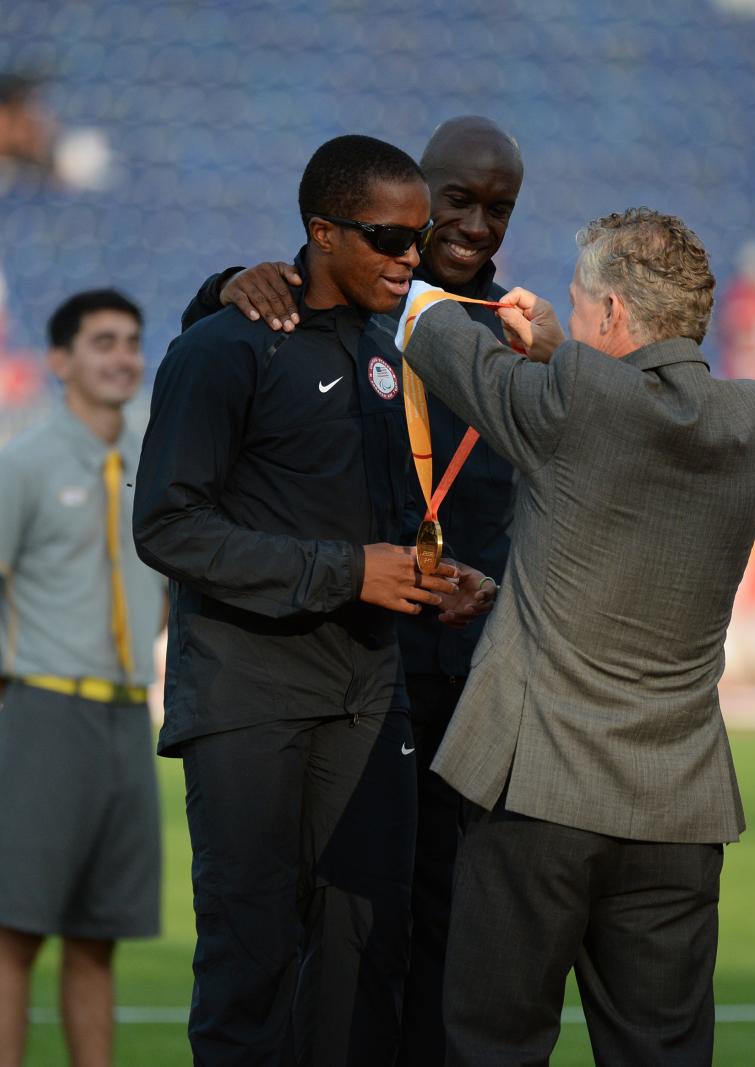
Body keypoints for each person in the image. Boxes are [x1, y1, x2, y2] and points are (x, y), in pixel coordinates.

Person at [132, 134, 492, 1067]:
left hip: (371, 698)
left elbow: (379, 521)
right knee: (249, 970)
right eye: (387, 237)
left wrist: (431, 575)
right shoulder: (224, 346)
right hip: (248, 701)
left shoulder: (389, 354)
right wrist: (348, 571)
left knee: (365, 963)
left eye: (417, 237)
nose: (410, 257)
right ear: (321, 231)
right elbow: (168, 527)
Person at [396, 208, 755, 1066]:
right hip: (679, 807)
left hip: (537, 790)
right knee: (664, 1052)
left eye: (577, 307)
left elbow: (428, 329)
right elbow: (632, 411)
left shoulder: (575, 398)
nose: (566, 323)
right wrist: (558, 350)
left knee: (493, 1046)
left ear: (609, 313)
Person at [0, 289, 165, 1067]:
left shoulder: (157, 462)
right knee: (14, 932)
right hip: (44, 708)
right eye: (102, 341)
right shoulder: (23, 462)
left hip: (131, 717)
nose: (122, 356)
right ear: (61, 360)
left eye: (131, 341)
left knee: (100, 933)